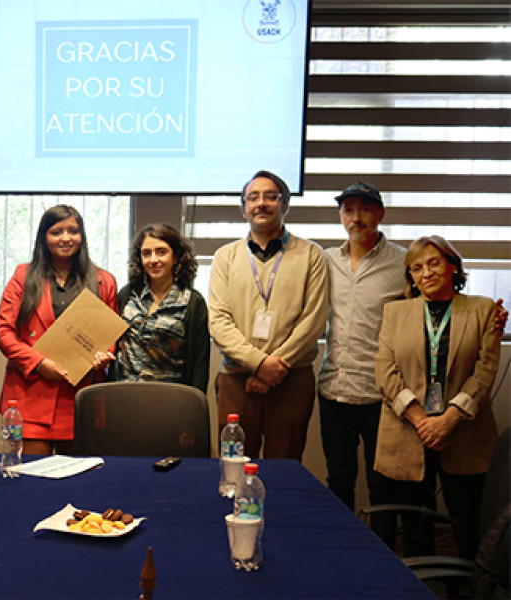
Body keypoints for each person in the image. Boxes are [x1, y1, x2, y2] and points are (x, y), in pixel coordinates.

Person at [374, 235, 501, 559]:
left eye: (434, 263)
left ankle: (470, 591)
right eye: (416, 268)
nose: (426, 272)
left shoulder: (482, 309)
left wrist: (448, 420)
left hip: (464, 433)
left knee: (469, 523)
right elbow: (386, 372)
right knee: (415, 526)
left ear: (453, 267)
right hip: (407, 433)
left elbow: (484, 372)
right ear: (411, 278)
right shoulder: (394, 311)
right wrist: (422, 421)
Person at [207, 170, 328, 460]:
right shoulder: (226, 256)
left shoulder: (312, 254)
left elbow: (313, 320)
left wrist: (274, 369)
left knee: (284, 468)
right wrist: (259, 363)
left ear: (285, 205)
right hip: (236, 378)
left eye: (270, 196)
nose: (261, 203)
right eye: (253, 197)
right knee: (233, 467)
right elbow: (219, 322)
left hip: (291, 378)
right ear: (244, 207)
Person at [0, 205, 118, 455]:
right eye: (56, 231)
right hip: (30, 393)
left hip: (80, 395)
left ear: (82, 236)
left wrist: (103, 357)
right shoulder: (23, 275)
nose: (65, 238)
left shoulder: (103, 281)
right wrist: (38, 362)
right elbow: (3, 332)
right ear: (44, 237)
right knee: (28, 479)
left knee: (75, 482)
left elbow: (109, 334)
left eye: (73, 231)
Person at [317, 182, 406, 518]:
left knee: (381, 482)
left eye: (365, 209)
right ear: (341, 216)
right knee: (339, 479)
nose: (357, 218)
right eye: (349, 210)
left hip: (380, 394)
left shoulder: (403, 262)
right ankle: (342, 555)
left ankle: (381, 554)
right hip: (333, 388)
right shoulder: (325, 260)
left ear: (380, 214)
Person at [116, 223, 210, 392]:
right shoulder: (128, 294)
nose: (153, 260)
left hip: (169, 400)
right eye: (146, 253)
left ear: (175, 257)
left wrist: (194, 405)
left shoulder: (192, 302)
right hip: (123, 395)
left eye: (161, 252)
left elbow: (199, 365)